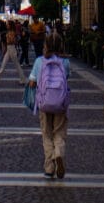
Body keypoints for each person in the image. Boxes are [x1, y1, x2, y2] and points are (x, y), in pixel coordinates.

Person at [28, 32, 70, 179]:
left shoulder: (40, 61)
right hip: (60, 103)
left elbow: (32, 82)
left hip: (44, 103)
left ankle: (49, 167)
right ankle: (58, 153)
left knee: (46, 133)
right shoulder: (65, 62)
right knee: (59, 131)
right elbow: (66, 78)